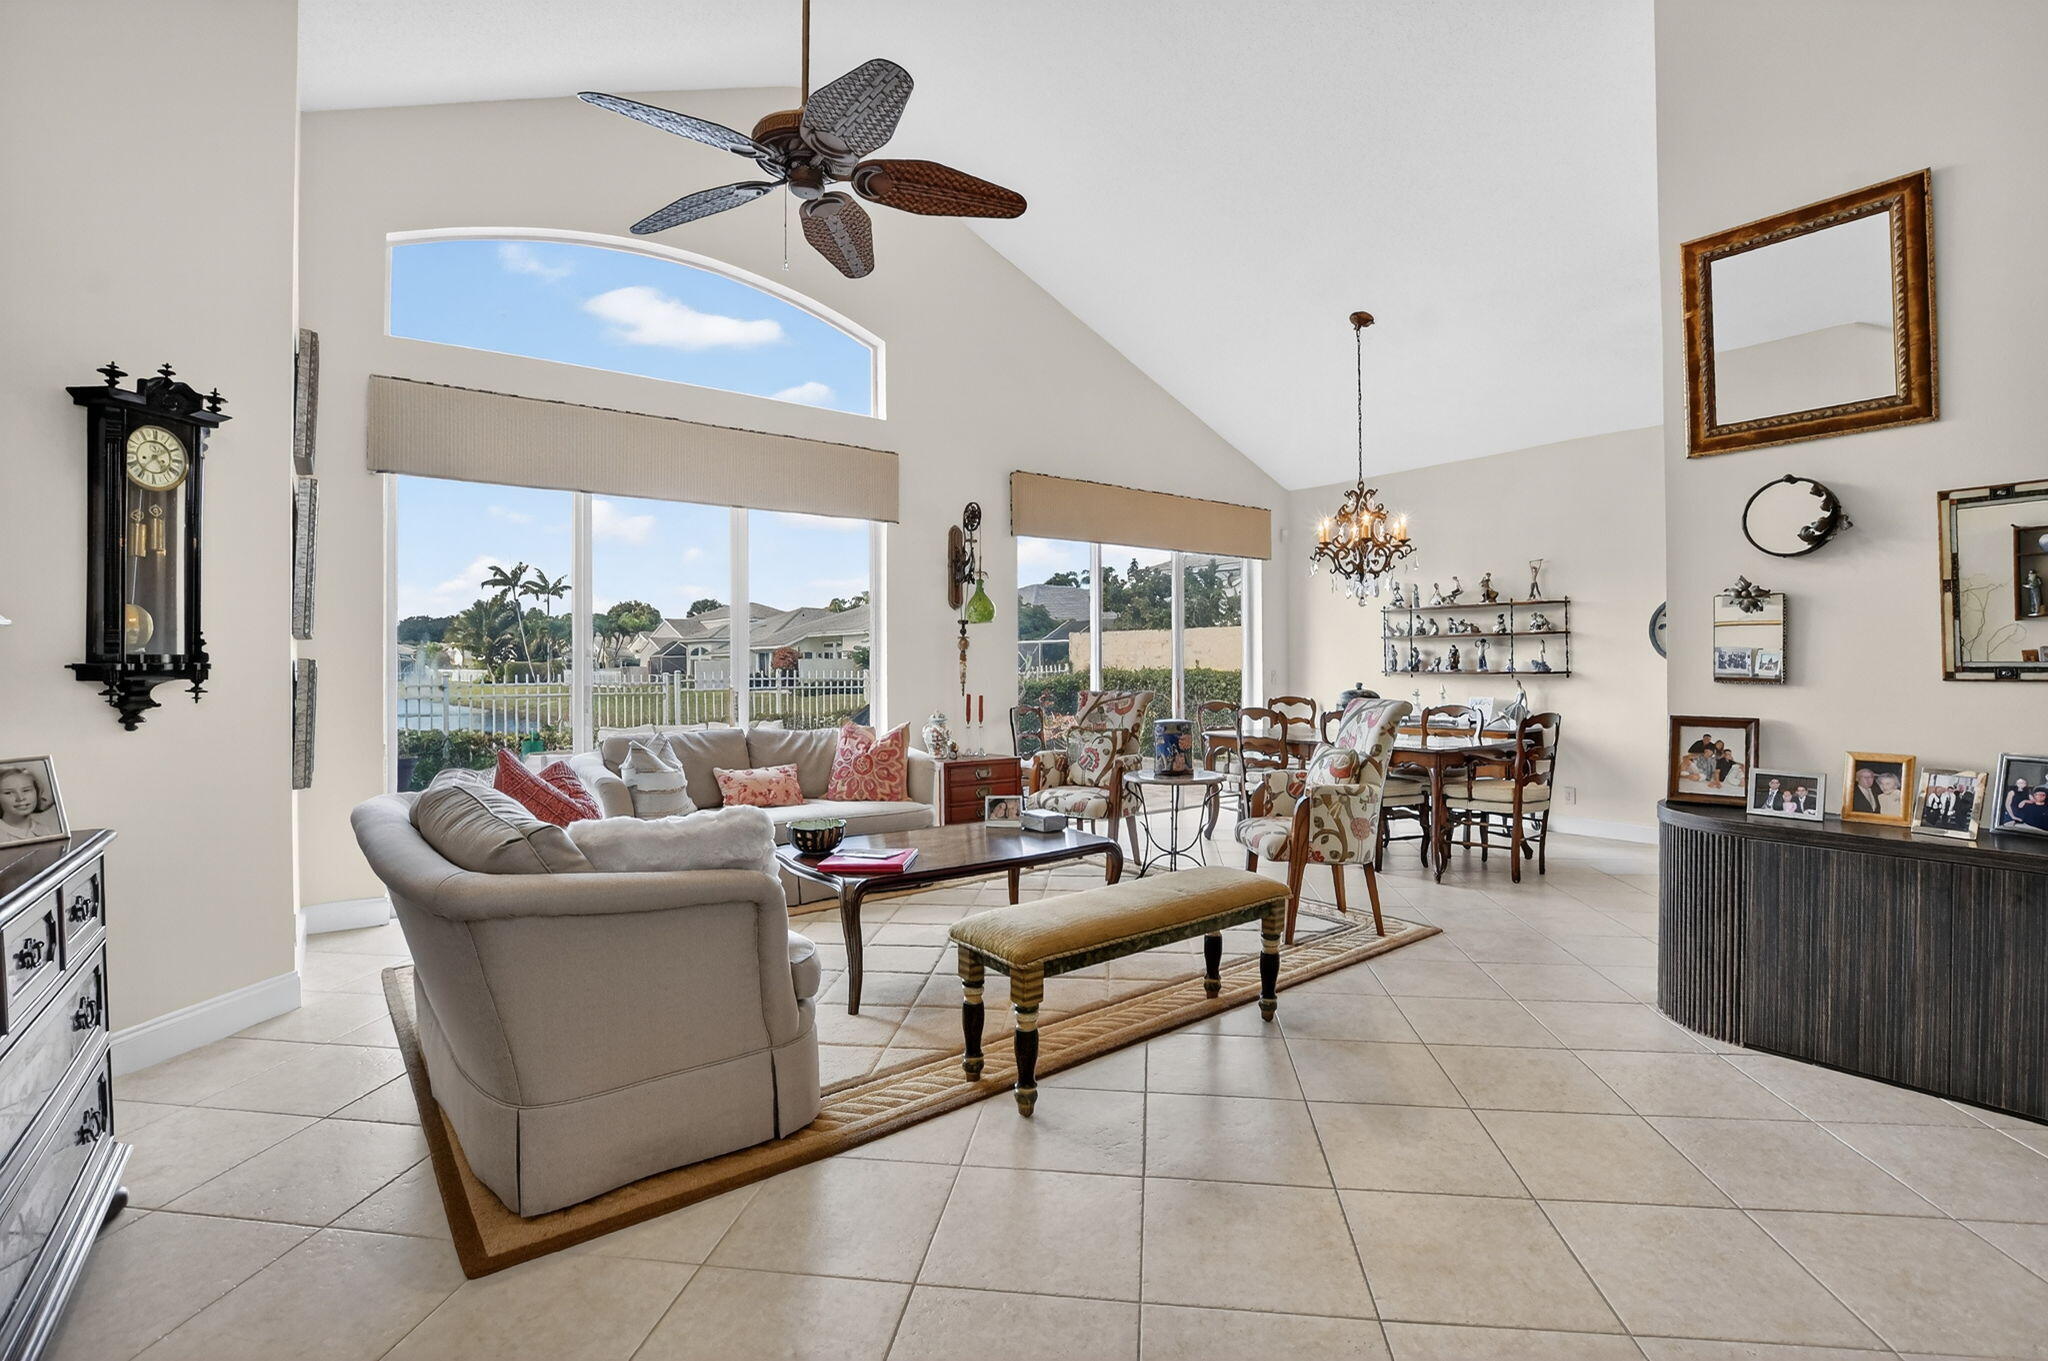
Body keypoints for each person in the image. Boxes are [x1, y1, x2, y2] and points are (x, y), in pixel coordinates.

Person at [0, 766, 61, 843]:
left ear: (37, 792)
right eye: (8, 793)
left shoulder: (45, 831)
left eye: (26, 790)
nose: (20, 798)